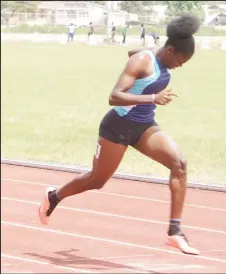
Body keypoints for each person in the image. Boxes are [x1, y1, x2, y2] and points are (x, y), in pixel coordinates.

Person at [39, 14, 200, 255]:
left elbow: (135, 53)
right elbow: (114, 97)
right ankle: (54, 196)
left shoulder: (156, 56)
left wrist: (142, 55)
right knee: (97, 180)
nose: (181, 65)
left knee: (180, 164)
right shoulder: (143, 61)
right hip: (117, 126)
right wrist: (153, 98)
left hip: (144, 126)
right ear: (169, 50)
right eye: (180, 59)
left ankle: (174, 232)